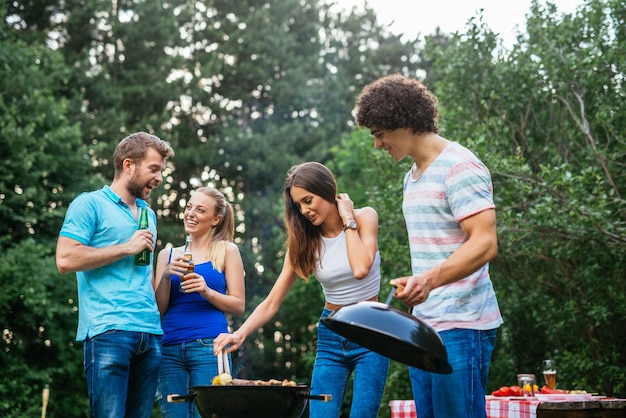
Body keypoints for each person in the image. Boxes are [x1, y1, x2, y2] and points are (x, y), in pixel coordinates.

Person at [354, 74, 503, 418]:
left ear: (404, 123)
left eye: (379, 134)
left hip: (463, 324)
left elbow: (484, 243)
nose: (377, 144)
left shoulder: (460, 166)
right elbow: (441, 250)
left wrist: (430, 280)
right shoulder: (413, 176)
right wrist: (419, 279)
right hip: (423, 326)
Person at [213, 162, 389, 418]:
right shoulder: (304, 242)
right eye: (299, 205)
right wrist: (239, 334)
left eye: (308, 200)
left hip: (372, 332)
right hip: (332, 333)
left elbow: (361, 267)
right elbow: (272, 301)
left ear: (327, 190)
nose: (304, 210)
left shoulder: (363, 218)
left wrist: (347, 217)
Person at [56, 131, 175, 418]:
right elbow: (65, 258)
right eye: (154, 169)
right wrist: (125, 247)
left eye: (162, 170)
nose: (159, 178)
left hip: (149, 333)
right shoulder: (90, 204)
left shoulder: (149, 214)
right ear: (128, 165)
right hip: (109, 330)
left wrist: (168, 274)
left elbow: (143, 275)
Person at [153, 186, 246, 418]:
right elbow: (158, 310)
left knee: (209, 414)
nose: (190, 213)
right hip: (169, 348)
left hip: (209, 347)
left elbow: (238, 306)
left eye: (200, 210)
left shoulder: (227, 251)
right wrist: (165, 276)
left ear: (215, 219)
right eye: (189, 207)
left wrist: (206, 291)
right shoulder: (167, 255)